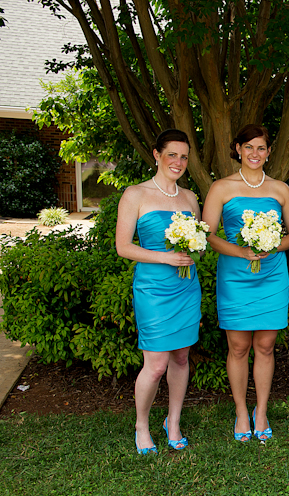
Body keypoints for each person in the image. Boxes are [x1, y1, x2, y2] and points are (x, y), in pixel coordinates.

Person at [202, 124, 289, 442]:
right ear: (238, 149)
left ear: (269, 152)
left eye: (261, 148)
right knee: (239, 347)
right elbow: (210, 235)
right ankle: (242, 411)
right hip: (235, 275)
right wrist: (243, 250)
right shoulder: (221, 188)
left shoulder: (280, 190)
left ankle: (262, 411)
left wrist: (270, 246)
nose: (255, 153)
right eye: (249, 147)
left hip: (271, 274)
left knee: (266, 346)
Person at [116, 129, 201, 454]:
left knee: (181, 356)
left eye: (183, 156)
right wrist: (165, 256)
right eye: (172, 155)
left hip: (186, 286)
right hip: (153, 289)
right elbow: (123, 247)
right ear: (156, 154)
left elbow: (200, 247)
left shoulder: (190, 198)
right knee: (155, 365)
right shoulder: (136, 194)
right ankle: (141, 424)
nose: (178, 162)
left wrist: (194, 252)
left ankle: (174, 420)